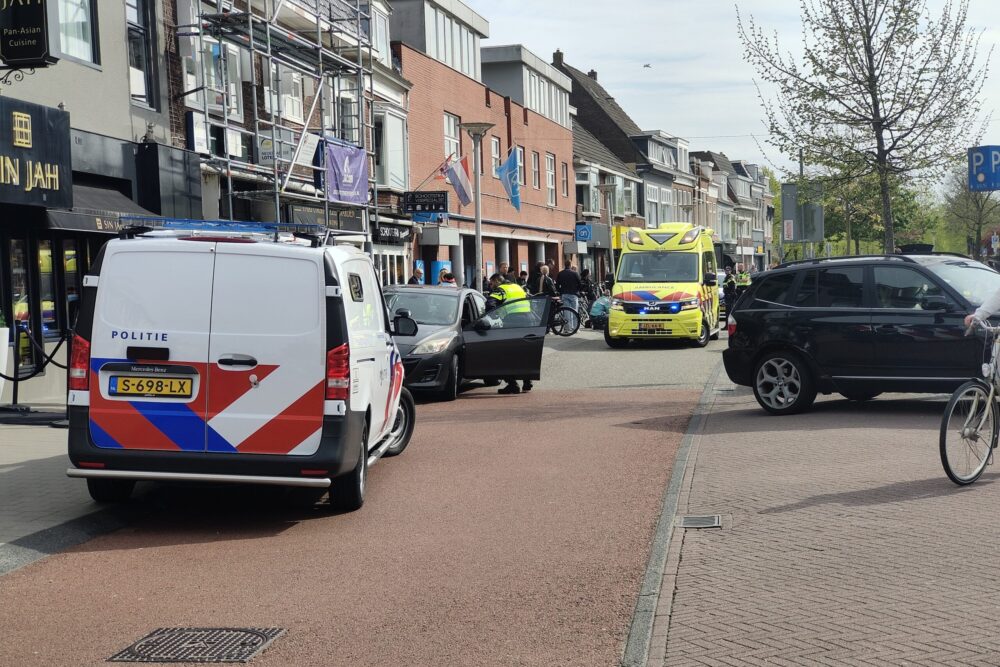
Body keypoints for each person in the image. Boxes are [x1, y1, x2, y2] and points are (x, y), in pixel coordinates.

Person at [484, 274, 533, 394]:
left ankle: (512, 384)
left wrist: (493, 317)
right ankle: (527, 381)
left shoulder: (501, 290)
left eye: (491, 283)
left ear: (497, 281)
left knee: (506, 353)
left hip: (512, 322)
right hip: (528, 321)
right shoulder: (517, 287)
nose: (491, 286)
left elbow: (490, 304)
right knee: (524, 352)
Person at [555, 261, 582, 329]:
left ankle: (567, 327)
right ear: (570, 265)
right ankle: (575, 327)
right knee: (575, 311)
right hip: (573, 294)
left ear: (565, 265)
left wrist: (560, 291)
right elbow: (580, 284)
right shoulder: (575, 273)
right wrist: (577, 290)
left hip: (564, 294)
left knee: (566, 311)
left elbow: (557, 285)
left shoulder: (560, 273)